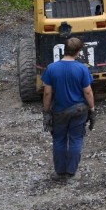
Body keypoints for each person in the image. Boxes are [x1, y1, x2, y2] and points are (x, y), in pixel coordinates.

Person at [41, 37, 96, 180]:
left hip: (59, 111)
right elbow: (88, 92)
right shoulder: (82, 68)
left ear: (64, 49)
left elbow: (47, 93)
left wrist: (46, 112)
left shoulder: (51, 68)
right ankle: (72, 171)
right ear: (78, 52)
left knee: (59, 140)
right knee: (76, 139)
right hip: (79, 110)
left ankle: (59, 172)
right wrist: (92, 108)